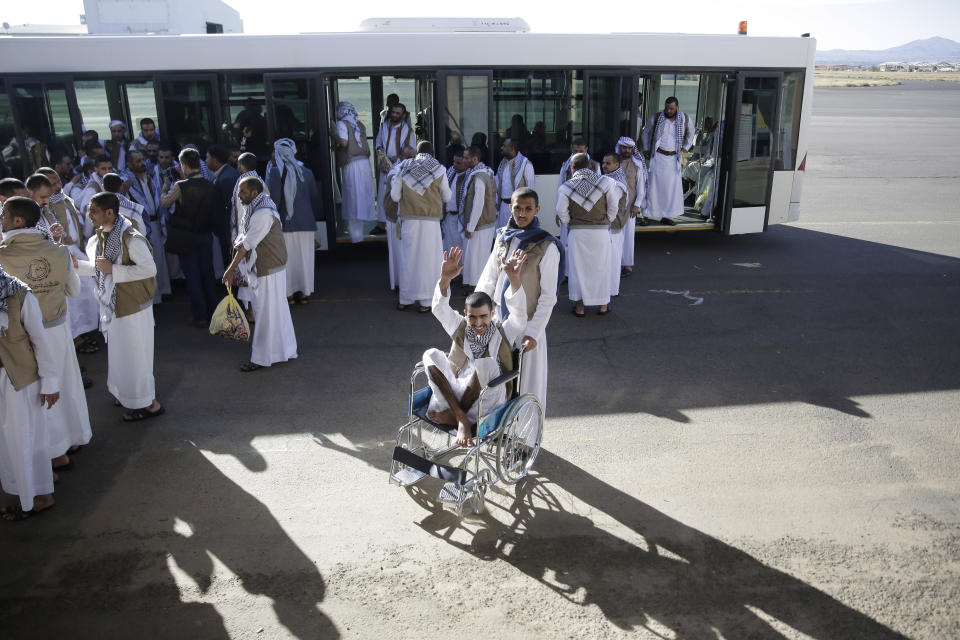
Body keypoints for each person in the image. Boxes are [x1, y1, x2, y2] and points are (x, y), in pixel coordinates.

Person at [0, 197, 90, 470]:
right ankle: (74, 437)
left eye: (3, 214)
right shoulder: (59, 251)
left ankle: (53, 453)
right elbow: (73, 291)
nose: (0, 218)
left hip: (22, 339)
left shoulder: (2, 255)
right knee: (65, 383)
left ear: (17, 220)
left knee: (38, 395)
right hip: (58, 328)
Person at [424, 246, 528, 447]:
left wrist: (514, 280)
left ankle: (459, 418)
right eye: (472, 316)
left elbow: (519, 318)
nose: (478, 323)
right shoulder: (461, 326)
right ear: (465, 313)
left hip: (488, 399)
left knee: (485, 364)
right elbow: (439, 308)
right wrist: (445, 279)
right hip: (456, 394)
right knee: (430, 354)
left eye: (484, 317)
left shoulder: (503, 332)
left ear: (493, 314)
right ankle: (460, 418)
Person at [76, 192, 164, 421]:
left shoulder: (131, 238)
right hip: (112, 308)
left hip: (133, 308)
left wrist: (114, 271)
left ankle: (148, 404)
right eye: (89, 210)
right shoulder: (98, 239)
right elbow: (99, 269)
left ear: (109, 213)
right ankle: (125, 395)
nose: (89, 215)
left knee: (137, 358)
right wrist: (77, 265)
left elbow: (149, 270)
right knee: (120, 357)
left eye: (93, 211)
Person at [475, 187, 562, 415]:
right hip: (498, 324)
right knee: (496, 385)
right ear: (509, 207)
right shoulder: (503, 237)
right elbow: (488, 279)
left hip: (527, 326)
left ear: (537, 210)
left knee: (527, 386)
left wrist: (532, 332)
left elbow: (548, 296)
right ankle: (500, 435)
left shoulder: (546, 246)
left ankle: (526, 438)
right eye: (517, 208)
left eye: (528, 209)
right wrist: (476, 314)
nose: (522, 214)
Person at [0, 263, 59, 521]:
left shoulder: (19, 294)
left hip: (19, 381)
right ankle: (24, 491)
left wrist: (50, 384)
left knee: (25, 439)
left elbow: (40, 342)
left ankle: (39, 497)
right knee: (8, 445)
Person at [222, 176, 298, 372]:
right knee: (277, 312)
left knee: (264, 315)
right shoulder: (260, 206)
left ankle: (261, 359)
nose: (239, 195)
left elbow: (247, 245)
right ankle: (285, 351)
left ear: (254, 193)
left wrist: (230, 270)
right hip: (272, 267)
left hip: (267, 269)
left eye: (243, 192)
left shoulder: (261, 213)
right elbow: (245, 235)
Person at [35, 168, 100, 354]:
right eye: (51, 183)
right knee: (74, 299)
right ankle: (75, 338)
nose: (56, 186)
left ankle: (83, 332)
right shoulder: (41, 209)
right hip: (62, 258)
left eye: (57, 182)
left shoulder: (64, 198)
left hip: (75, 252)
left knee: (87, 292)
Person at [161, 148, 220, 326]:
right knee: (207, 274)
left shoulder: (181, 186)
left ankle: (199, 315)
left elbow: (165, 202)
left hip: (186, 236)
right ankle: (213, 311)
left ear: (184, 165)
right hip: (205, 235)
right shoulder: (211, 185)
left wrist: (165, 186)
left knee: (192, 276)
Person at [390, 141, 450, 312]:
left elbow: (395, 197)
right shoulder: (439, 169)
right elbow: (447, 197)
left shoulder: (404, 167)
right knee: (429, 261)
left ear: (417, 152)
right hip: (431, 223)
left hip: (410, 220)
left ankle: (405, 299)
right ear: (432, 152)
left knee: (409, 260)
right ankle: (426, 302)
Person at [557, 153, 620, 316]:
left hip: (578, 234)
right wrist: (607, 220)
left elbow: (560, 211)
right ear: (590, 166)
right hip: (601, 234)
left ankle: (580, 308)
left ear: (572, 168)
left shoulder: (566, 187)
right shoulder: (606, 182)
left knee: (578, 271)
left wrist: (570, 222)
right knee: (602, 268)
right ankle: (603, 306)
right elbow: (614, 206)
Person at [266, 139, 321, 305]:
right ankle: (304, 293)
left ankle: (289, 294)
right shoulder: (307, 172)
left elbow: (273, 200)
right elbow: (314, 195)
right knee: (305, 259)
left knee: (287, 260)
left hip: (285, 223)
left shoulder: (275, 173)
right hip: (306, 223)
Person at [641, 97, 695, 225]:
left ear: (677, 107)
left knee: (670, 190)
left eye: (671, 108)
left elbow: (692, 133)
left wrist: (686, 148)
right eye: (667, 108)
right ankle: (646, 216)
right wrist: (647, 148)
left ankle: (667, 216)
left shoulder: (685, 119)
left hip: (673, 159)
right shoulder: (657, 118)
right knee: (652, 188)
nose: (668, 111)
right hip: (658, 157)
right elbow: (645, 133)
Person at [124, 150, 170, 301]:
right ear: (129, 164)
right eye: (138, 161)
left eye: (143, 160)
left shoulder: (149, 177)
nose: (142, 163)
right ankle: (152, 297)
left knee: (159, 260)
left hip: (155, 223)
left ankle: (161, 292)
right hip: (141, 227)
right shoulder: (127, 182)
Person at [333, 102, 376, 243]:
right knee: (362, 196)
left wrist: (333, 136)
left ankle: (355, 237)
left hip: (352, 165)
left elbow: (344, 143)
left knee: (352, 198)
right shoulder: (359, 124)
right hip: (364, 164)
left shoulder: (341, 124)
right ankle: (360, 234)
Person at [556, 139, 599, 277]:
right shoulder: (566, 165)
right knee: (566, 243)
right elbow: (560, 187)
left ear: (586, 149)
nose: (577, 153)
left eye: (580, 151)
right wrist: (558, 211)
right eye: (575, 151)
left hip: (585, 212)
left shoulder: (594, 165)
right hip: (567, 210)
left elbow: (598, 190)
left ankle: (581, 274)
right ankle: (567, 274)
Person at [459, 145, 498, 288]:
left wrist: (470, 226)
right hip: (484, 223)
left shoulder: (480, 176)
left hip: (480, 224)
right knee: (476, 257)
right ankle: (475, 287)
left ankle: (478, 289)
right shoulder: (485, 172)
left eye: (466, 157)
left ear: (474, 159)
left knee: (477, 258)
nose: (463, 160)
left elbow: (478, 204)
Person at [375, 102, 416, 234]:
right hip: (385, 166)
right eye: (393, 112)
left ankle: (397, 222)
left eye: (397, 113)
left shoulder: (408, 131)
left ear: (403, 115)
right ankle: (382, 224)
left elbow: (411, 150)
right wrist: (382, 155)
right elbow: (378, 143)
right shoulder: (384, 126)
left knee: (398, 194)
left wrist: (398, 158)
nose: (394, 115)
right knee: (383, 194)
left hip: (400, 167)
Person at [615, 136, 649, 276]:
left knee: (628, 236)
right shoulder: (612, 162)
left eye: (629, 148)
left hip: (630, 206)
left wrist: (637, 205)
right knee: (614, 235)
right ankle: (614, 263)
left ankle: (627, 265)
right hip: (614, 206)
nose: (627, 150)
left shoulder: (637, 164)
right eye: (624, 147)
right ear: (619, 147)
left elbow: (641, 187)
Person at [206, 144, 239, 276]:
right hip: (227, 232)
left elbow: (229, 209)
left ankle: (234, 294)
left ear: (215, 160)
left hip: (228, 232)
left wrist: (227, 234)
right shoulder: (228, 173)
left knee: (231, 264)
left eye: (207, 158)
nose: (206, 161)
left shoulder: (225, 179)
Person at [601, 154, 630, 298]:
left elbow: (610, 205)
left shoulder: (617, 184)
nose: (604, 166)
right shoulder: (608, 180)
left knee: (612, 260)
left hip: (613, 228)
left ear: (616, 165)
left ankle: (611, 290)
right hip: (607, 227)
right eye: (603, 163)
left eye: (608, 163)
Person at [495, 138, 535, 228]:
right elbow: (498, 186)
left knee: (518, 237)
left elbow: (531, 189)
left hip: (519, 208)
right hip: (504, 207)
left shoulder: (526, 165)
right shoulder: (503, 163)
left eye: (504, 146)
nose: (502, 148)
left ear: (512, 148)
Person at [442, 146, 467, 254]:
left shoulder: (469, 176)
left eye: (458, 163)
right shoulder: (451, 171)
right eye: (454, 162)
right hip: (447, 218)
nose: (454, 165)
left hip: (460, 219)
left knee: (460, 250)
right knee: (447, 248)